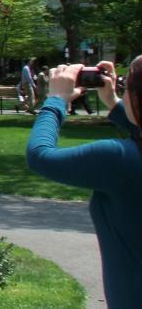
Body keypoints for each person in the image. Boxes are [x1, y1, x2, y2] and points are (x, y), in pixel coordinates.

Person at [27, 59, 142, 308]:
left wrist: (56, 99)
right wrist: (113, 102)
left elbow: (40, 156)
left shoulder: (118, 160)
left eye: (126, 86)